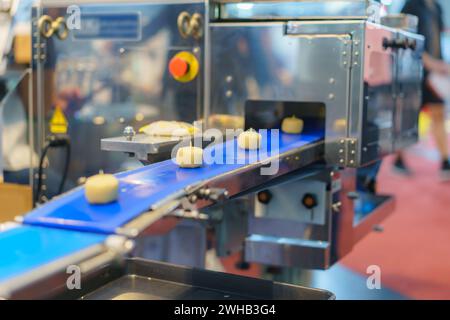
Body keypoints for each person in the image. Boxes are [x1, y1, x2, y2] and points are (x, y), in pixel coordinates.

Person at [393, 0, 450, 180]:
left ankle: (445, 161)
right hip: (414, 70)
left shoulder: (437, 7)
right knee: (408, 118)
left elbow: (437, 38)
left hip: (434, 74)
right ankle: (399, 159)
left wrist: (440, 64)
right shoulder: (411, 5)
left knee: (438, 114)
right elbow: (405, 38)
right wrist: (431, 63)